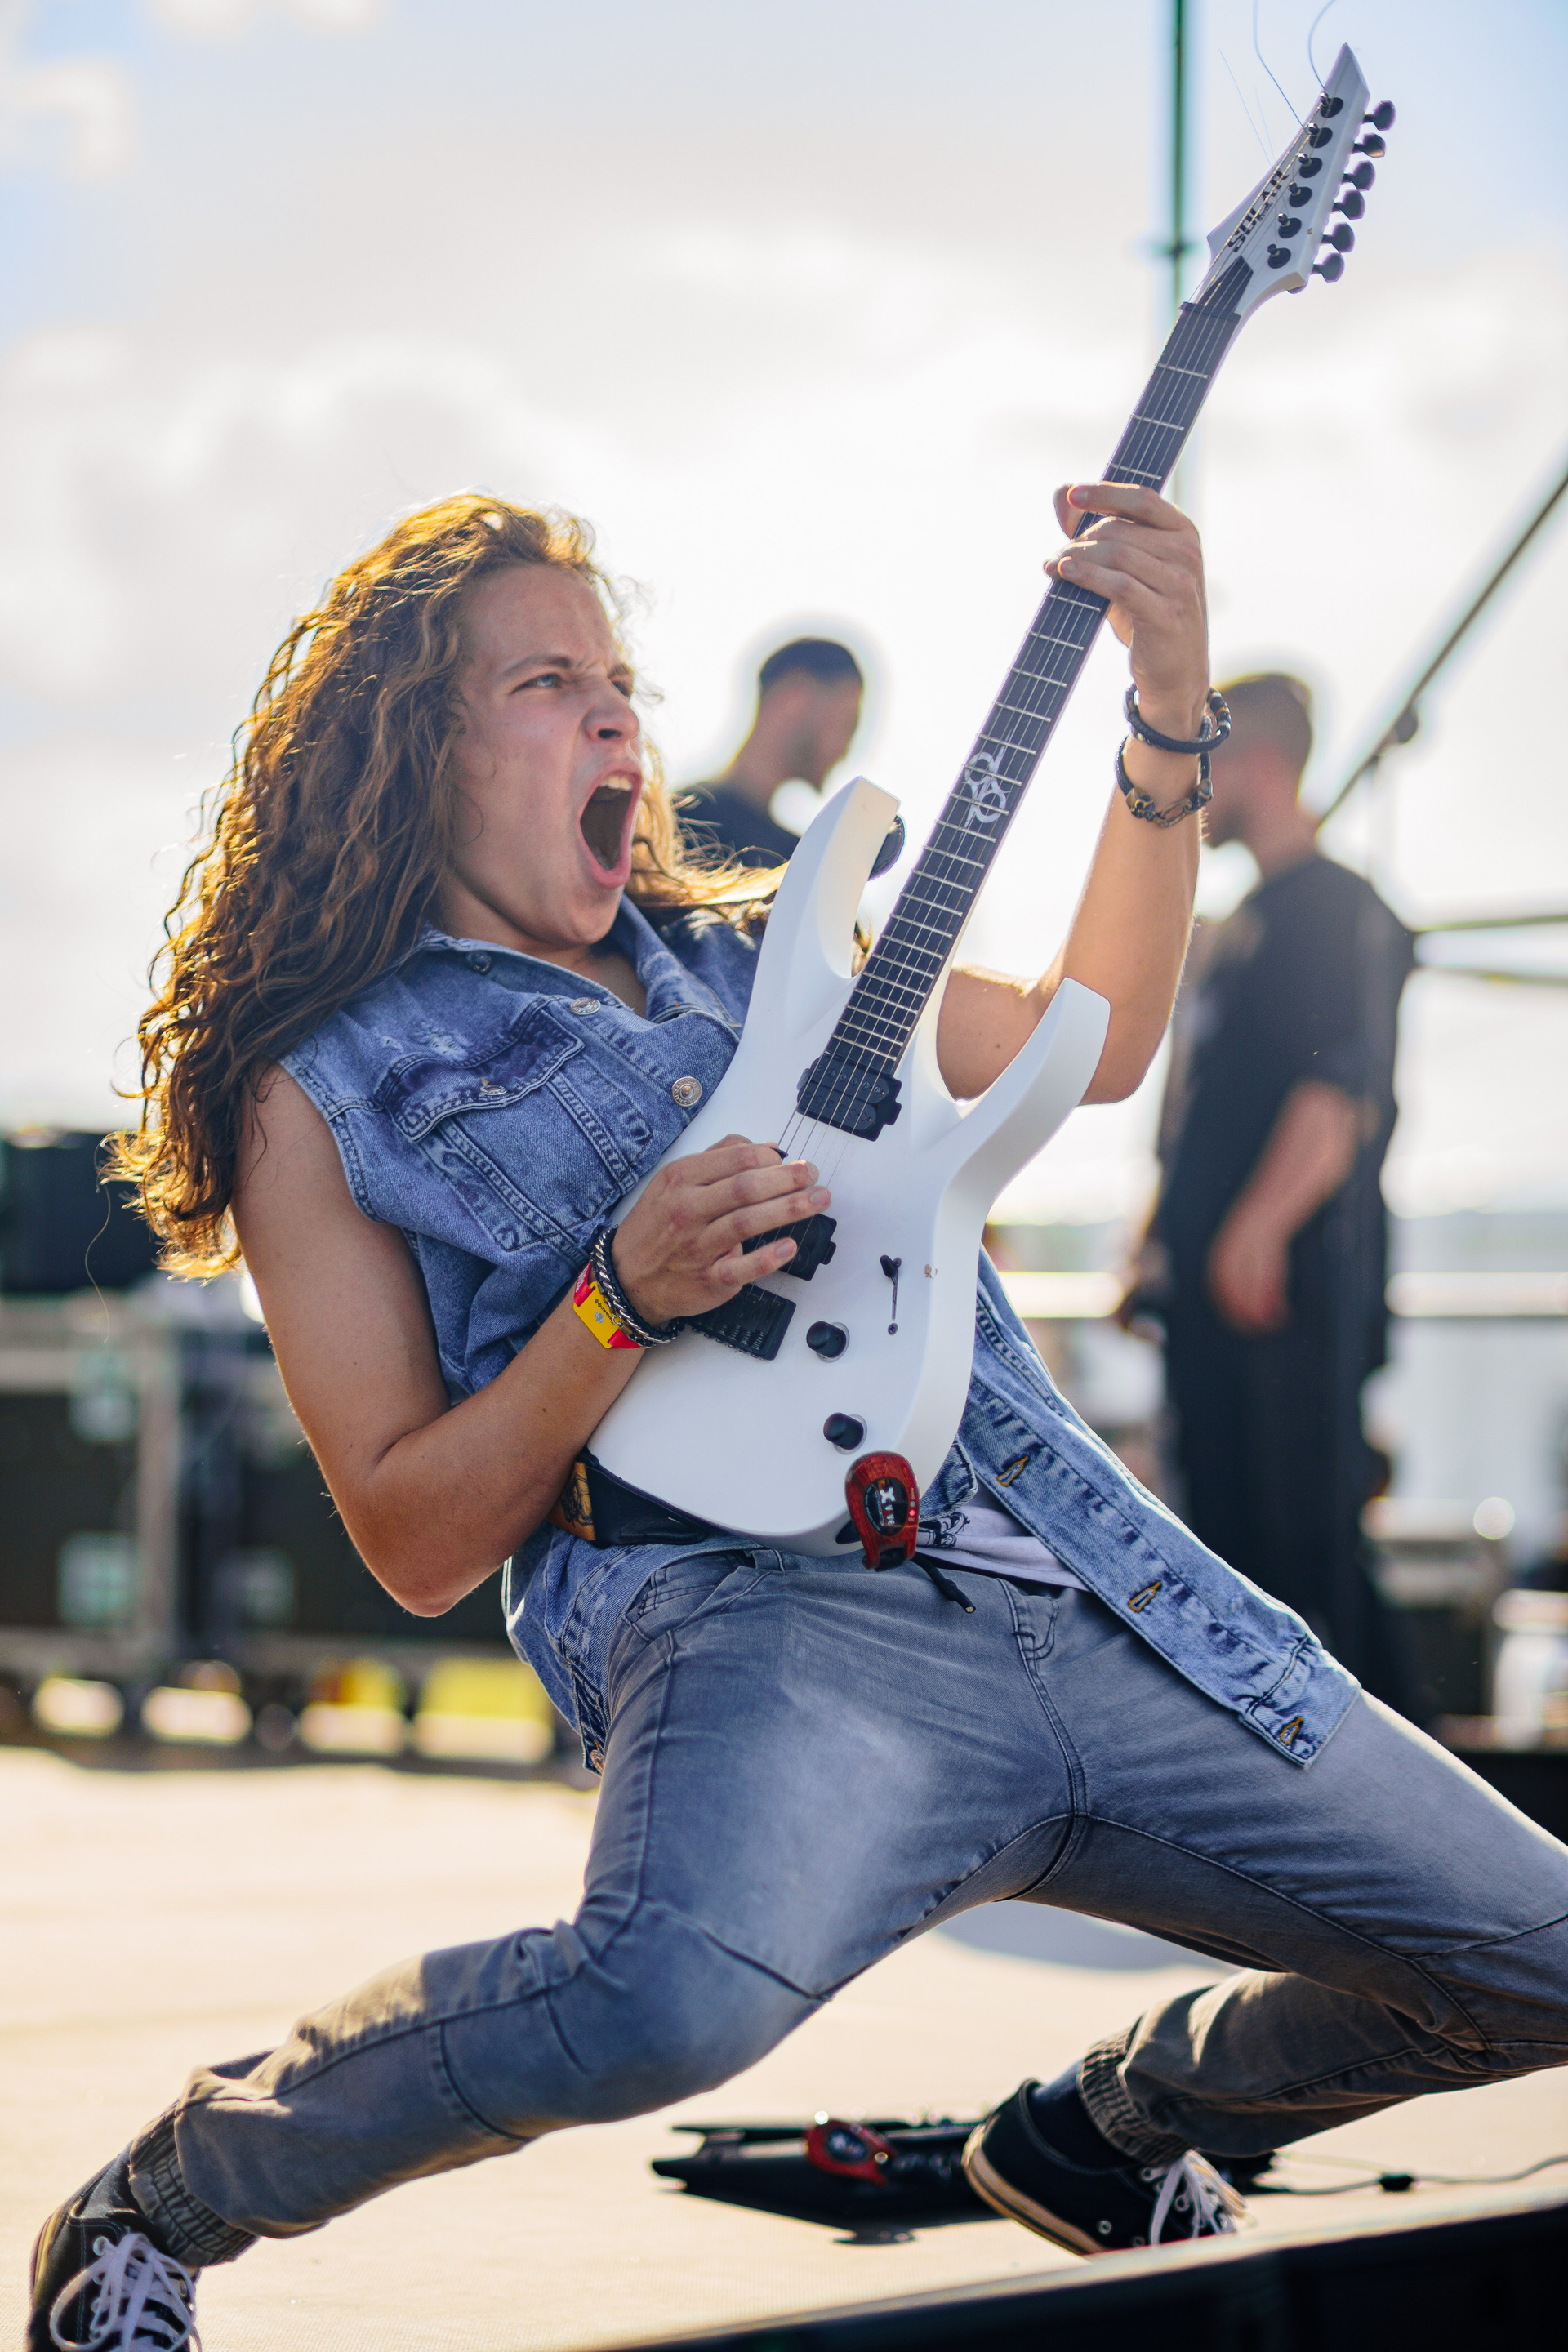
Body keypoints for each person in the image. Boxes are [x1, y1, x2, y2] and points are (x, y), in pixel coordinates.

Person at [32, 495, 1568, 2351]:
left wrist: (1167, 712)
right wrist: (616, 1297)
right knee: (655, 2008)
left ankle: (1114, 2124)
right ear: (411, 746)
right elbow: (416, 1537)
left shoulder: (782, 947)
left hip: (1084, 1574)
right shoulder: (321, 1083)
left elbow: (1096, 1039)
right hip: (763, 1627)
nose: (617, 714)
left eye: (620, 677)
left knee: (1546, 1959)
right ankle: (173, 2189)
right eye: (547, 682)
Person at [1139, 674, 1416, 1708]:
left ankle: (1412, 1772)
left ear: (1258, 763)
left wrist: (1256, 1228)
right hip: (1214, 1292)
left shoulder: (1332, 908)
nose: (1196, 789)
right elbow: (1203, 1106)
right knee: (1232, 1549)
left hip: (1288, 1300)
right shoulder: (1244, 918)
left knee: (1306, 1560)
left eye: (1207, 764)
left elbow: (1340, 1092)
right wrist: (1157, 1241)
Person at [679, 635, 863, 865]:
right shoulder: (683, 820)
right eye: (846, 725)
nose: (845, 751)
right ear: (794, 701)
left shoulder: (796, 855)